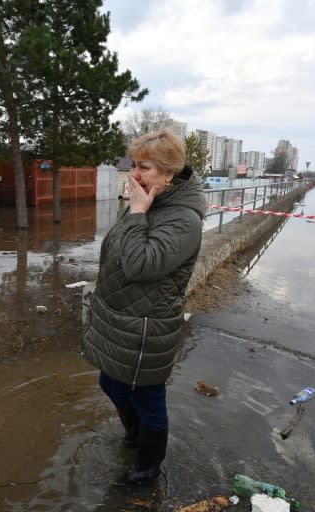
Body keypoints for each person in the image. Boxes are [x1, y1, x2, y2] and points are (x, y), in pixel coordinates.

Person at [81, 128, 206, 484]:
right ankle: (134, 437)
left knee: (148, 400)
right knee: (112, 384)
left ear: (170, 173)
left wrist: (136, 213)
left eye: (145, 167)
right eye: (133, 165)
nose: (134, 174)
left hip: (146, 327)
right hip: (119, 316)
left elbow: (141, 266)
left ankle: (148, 467)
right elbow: (118, 250)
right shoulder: (151, 200)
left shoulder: (184, 219)